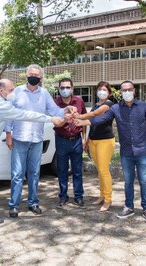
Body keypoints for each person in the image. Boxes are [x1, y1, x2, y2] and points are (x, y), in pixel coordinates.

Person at [0, 79, 64, 225]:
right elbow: (25, 115)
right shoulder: (1, 105)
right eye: (11, 90)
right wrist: (50, 119)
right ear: (1, 90)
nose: (13, 93)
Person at [74, 80, 146, 222]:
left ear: (134, 90)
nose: (126, 93)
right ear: (120, 92)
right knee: (128, 181)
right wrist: (83, 122)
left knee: (144, 180)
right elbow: (100, 119)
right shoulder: (116, 108)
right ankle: (129, 207)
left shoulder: (144, 107)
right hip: (126, 151)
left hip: (142, 150)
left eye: (129, 90)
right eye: (123, 90)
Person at [5, 64, 77, 218]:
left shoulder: (44, 93)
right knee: (17, 174)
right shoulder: (16, 92)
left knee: (34, 173)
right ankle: (14, 205)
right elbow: (9, 114)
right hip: (19, 138)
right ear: (26, 75)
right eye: (31, 74)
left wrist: (66, 110)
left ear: (41, 78)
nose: (33, 77)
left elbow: (54, 111)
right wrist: (8, 135)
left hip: (37, 139)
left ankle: (33, 203)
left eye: (36, 75)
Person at [75, 81, 115, 212]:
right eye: (100, 89)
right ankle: (102, 195)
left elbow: (94, 115)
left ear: (109, 92)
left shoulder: (108, 105)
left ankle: (108, 200)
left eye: (104, 89)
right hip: (93, 141)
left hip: (105, 141)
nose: (102, 91)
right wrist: (86, 140)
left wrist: (79, 117)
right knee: (99, 170)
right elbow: (89, 124)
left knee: (104, 170)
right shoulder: (96, 104)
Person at [53, 77, 87, 207]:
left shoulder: (79, 101)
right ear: (59, 89)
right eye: (62, 88)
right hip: (61, 139)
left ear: (72, 89)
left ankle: (78, 196)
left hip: (77, 139)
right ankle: (63, 196)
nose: (65, 90)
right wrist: (63, 119)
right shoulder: (55, 103)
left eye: (68, 87)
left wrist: (84, 138)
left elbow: (84, 119)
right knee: (62, 170)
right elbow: (54, 119)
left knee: (77, 170)